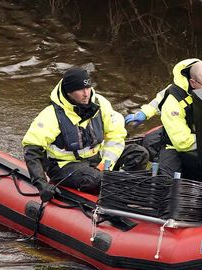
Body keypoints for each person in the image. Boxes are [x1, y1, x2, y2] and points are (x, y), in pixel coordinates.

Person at [22, 67, 143, 198]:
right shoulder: (51, 115)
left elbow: (115, 136)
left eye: (88, 88)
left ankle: (125, 195)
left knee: (138, 154)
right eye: (80, 90)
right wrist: (41, 184)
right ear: (69, 93)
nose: (86, 94)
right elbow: (32, 150)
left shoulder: (101, 104)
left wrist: (105, 165)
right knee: (94, 178)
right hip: (65, 165)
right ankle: (110, 196)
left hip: (97, 158)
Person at [152, 59, 202, 178]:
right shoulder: (173, 102)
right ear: (193, 83)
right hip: (176, 145)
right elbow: (182, 142)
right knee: (169, 181)